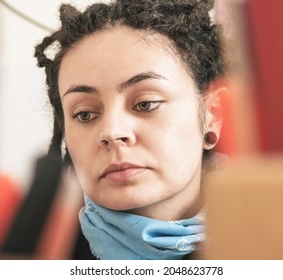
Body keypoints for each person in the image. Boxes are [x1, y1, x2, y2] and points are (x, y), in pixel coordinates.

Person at [34, 0, 229, 260]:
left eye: (146, 104)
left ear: (212, 115)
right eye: (84, 114)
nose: (112, 132)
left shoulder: (279, 242)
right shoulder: (38, 252)